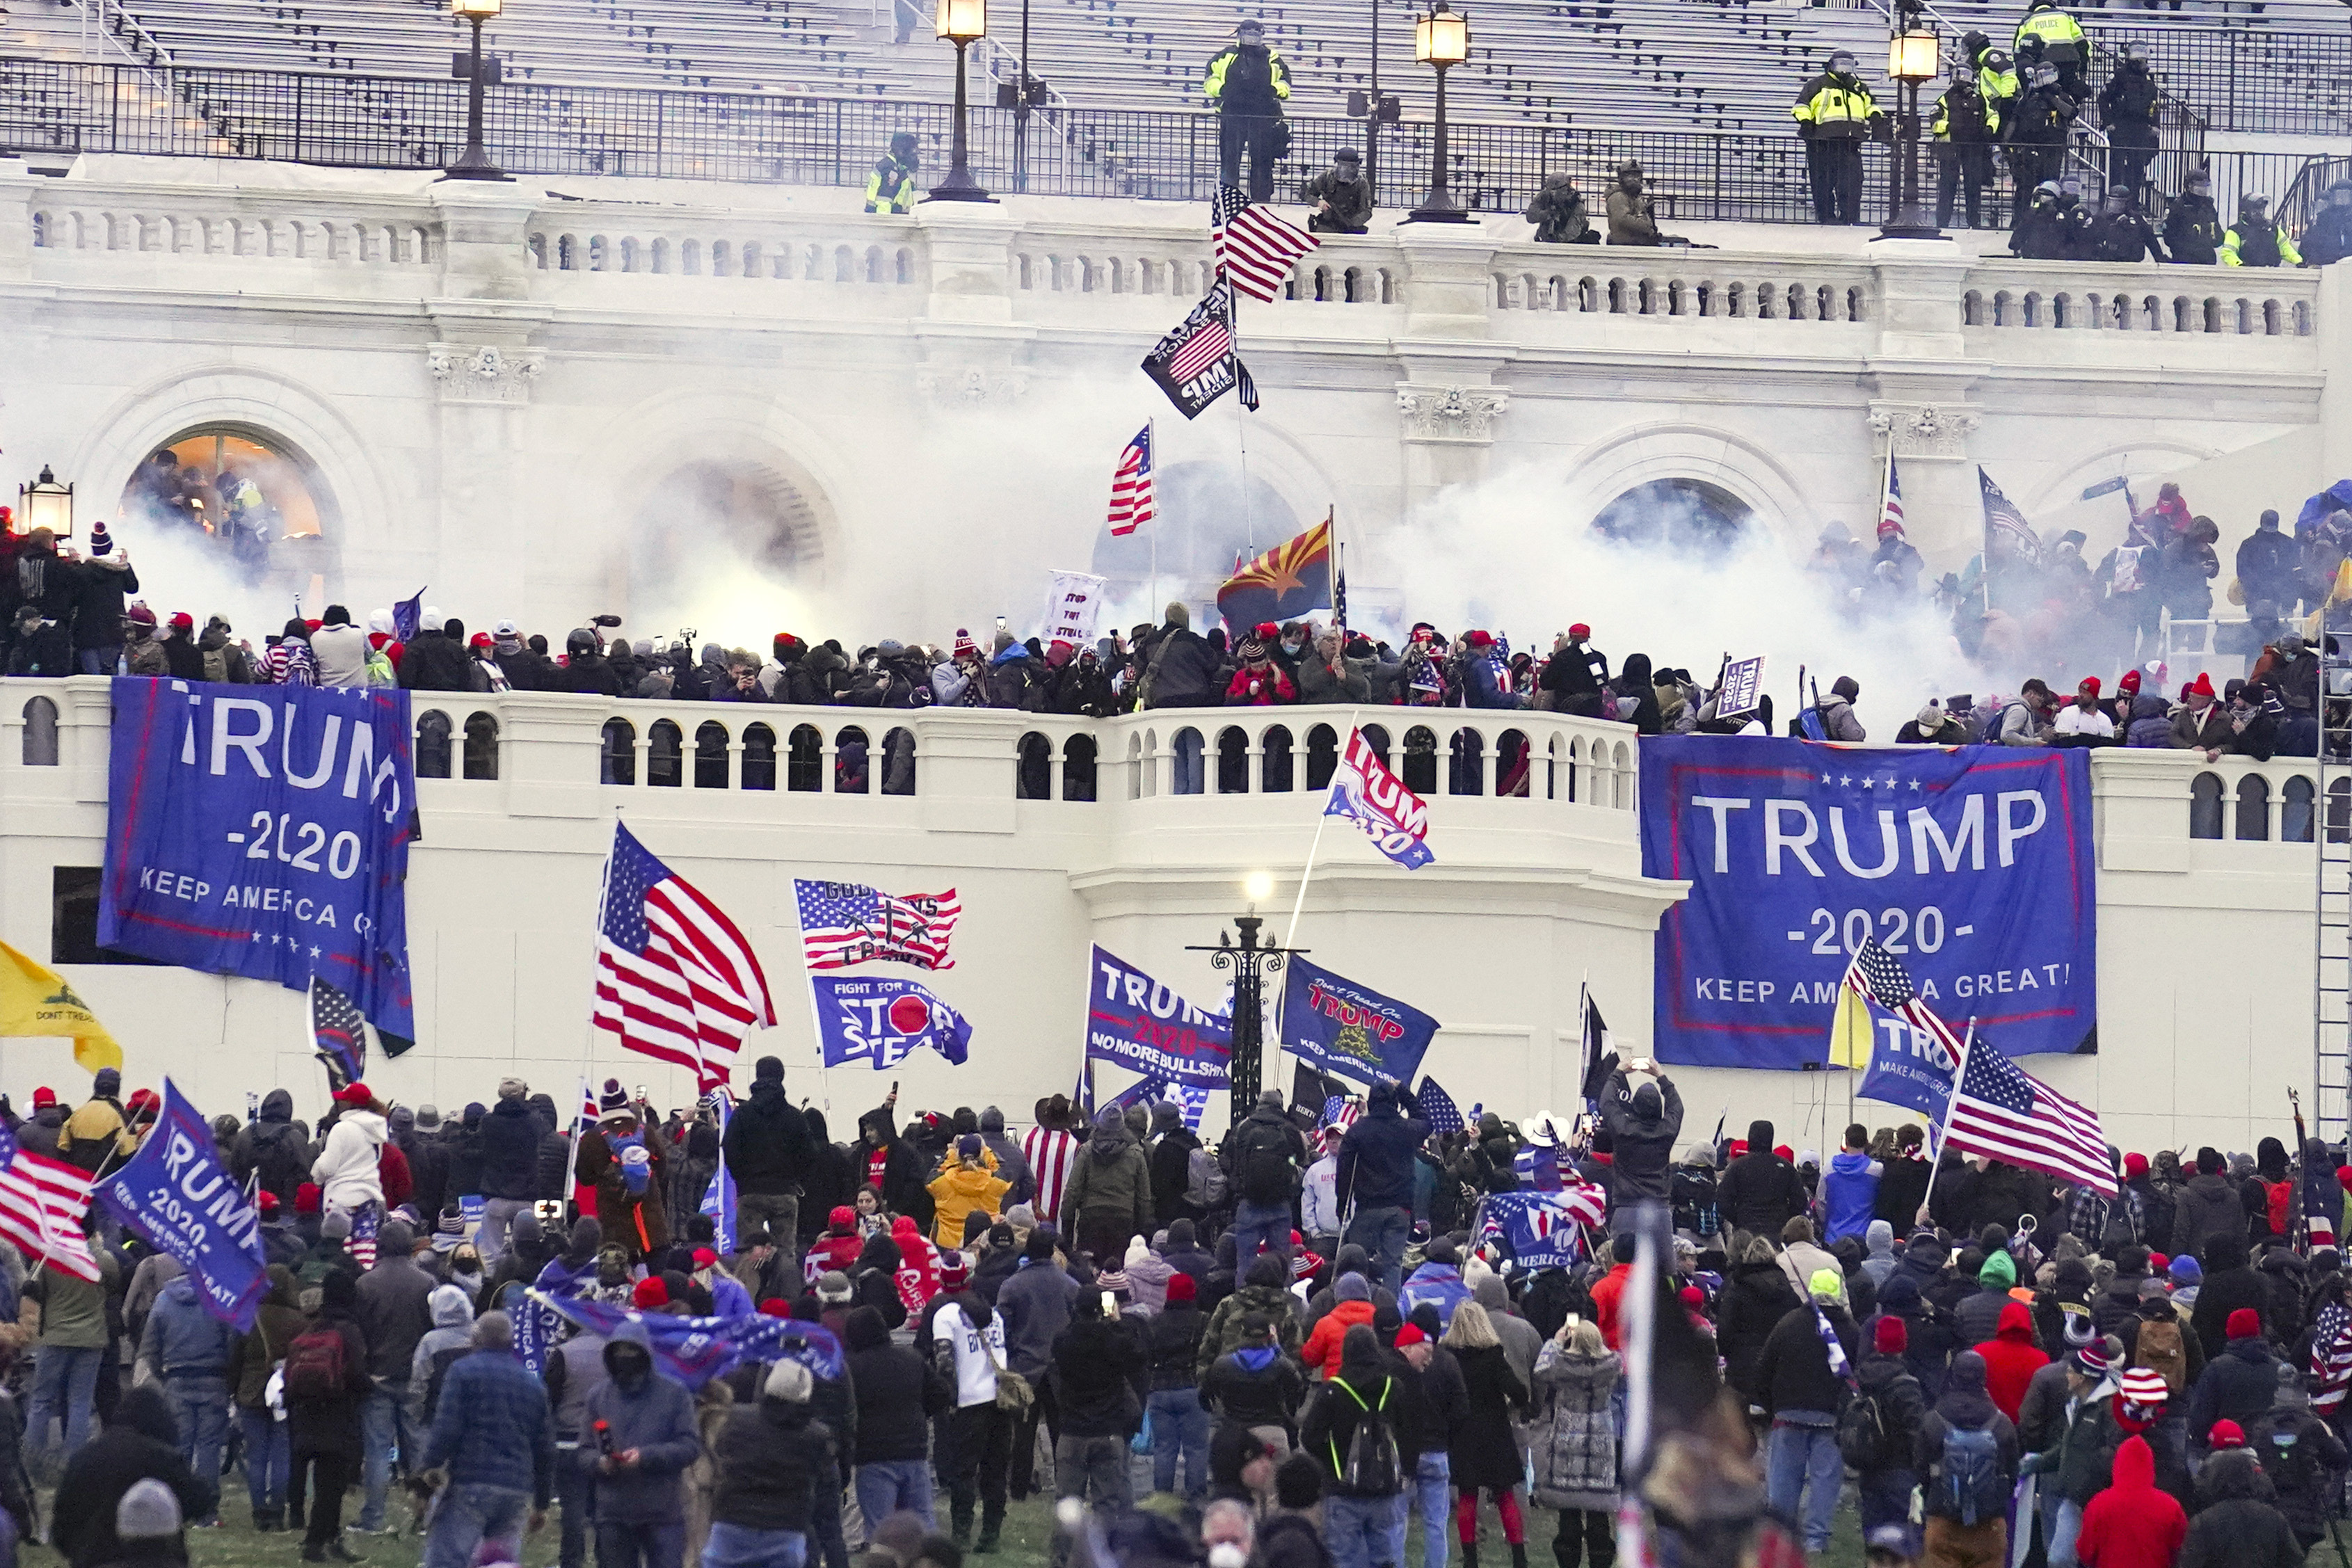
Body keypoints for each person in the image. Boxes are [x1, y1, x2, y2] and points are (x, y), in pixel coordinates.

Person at [414, 1311, 557, 1568]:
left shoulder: (462, 1372)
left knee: (447, 1560)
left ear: (475, 1339)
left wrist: (426, 1470)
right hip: (515, 1488)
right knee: (499, 1563)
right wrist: (542, 1503)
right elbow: (545, 1448)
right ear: (511, 1342)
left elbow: (447, 1429)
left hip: (471, 1480)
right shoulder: (533, 1385)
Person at [1754, 1268, 1858, 1557]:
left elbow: (1763, 1370)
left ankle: (1780, 1536)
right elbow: (1857, 1376)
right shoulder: (1850, 1329)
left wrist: (1774, 1407)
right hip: (1831, 1417)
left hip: (1788, 1414)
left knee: (1784, 1479)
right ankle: (1815, 1540)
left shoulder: (1788, 1324)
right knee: (1826, 1480)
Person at [49, 1389, 216, 1568]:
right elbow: (201, 1500)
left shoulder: (82, 1459)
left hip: (92, 1560)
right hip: (155, 1561)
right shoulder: (161, 1457)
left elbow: (61, 1525)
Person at [1299, 1326, 1414, 1568]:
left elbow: (1310, 1437)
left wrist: (1332, 1460)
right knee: (1385, 1558)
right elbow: (1407, 1433)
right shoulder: (1394, 1388)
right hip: (1385, 1487)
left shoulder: (1332, 1391)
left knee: (1344, 1558)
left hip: (1343, 1489)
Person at [1046, 1290, 1144, 1565]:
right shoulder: (1113, 1341)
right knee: (1106, 1503)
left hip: (1073, 1430)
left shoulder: (1064, 1341)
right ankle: (1103, 1556)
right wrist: (1116, 1321)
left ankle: (1063, 1557)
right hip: (1108, 1429)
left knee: (1068, 1501)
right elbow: (1139, 1355)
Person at [287, 1267, 374, 1563]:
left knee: (327, 1483)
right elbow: (357, 1375)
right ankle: (314, 1543)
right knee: (331, 1485)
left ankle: (332, 1538)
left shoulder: (314, 1327)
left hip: (307, 1412)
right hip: (338, 1413)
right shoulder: (350, 1330)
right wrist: (371, 1385)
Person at [355, 1217, 435, 1534]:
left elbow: (360, 1334)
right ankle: (424, 1519)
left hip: (378, 1378)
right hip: (415, 1378)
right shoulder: (427, 1283)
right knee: (418, 1452)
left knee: (376, 1451)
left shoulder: (365, 1284)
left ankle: (372, 1519)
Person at [135, 1270, 235, 1523]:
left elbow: (150, 1346)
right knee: (209, 1446)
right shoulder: (218, 1297)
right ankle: (207, 1510)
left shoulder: (163, 1300)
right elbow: (232, 1341)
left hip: (177, 1378)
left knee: (180, 1446)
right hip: (214, 1377)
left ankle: (177, 1506)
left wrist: (161, 1374)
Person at [1442, 1302, 1529, 1568]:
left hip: (1463, 1432)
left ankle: (1470, 1559)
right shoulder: (1493, 1356)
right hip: (1495, 1431)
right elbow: (1519, 1393)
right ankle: (1518, 1557)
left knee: (1467, 1496)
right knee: (1505, 1495)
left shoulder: (1447, 1356)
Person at [845, 1304, 946, 1531]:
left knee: (881, 1531)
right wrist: (919, 1412)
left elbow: (846, 1410)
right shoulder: (911, 1358)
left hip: (872, 1456)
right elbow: (941, 1392)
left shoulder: (852, 1367)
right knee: (924, 1525)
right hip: (914, 1451)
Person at [1915, 1350, 2017, 1568]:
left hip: (1943, 1521)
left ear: (1953, 1375)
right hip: (1989, 1526)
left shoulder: (1934, 1420)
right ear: (1984, 1378)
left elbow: (1920, 1469)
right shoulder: (2002, 1424)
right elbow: (2012, 1476)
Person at [931, 1288, 1012, 1551]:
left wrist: (949, 1400)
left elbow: (944, 1362)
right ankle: (991, 1536)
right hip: (1000, 1398)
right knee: (995, 1471)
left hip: (968, 1402)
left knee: (962, 1472)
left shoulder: (945, 1315)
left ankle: (961, 1535)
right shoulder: (995, 1315)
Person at [229, 1265, 305, 1530]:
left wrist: (233, 1389)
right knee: (282, 1454)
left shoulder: (248, 1317)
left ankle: (259, 1511)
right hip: (285, 1393)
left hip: (251, 1391)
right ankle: (277, 1509)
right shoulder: (299, 1321)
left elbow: (235, 1357)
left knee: (257, 1455)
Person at [1335, 1081, 1425, 1292]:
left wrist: (1342, 1206)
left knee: (1356, 1263)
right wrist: (1403, 1090)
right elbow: (1425, 1119)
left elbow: (1344, 1172)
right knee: (1393, 1264)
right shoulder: (1407, 1129)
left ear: (1371, 1101)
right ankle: (1390, 1313)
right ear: (1395, 1102)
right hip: (1399, 1209)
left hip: (1367, 1208)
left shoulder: (1357, 1132)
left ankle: (1354, 1304)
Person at [1203, 20, 1289, 203]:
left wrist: (1275, 90)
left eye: (1255, 36)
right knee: (1230, 161)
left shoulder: (1272, 57)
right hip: (1233, 115)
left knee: (1262, 162)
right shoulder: (1226, 55)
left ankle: (1261, 202)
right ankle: (1228, 201)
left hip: (1263, 117)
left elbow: (1285, 82)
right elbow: (1210, 79)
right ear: (1239, 35)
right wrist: (1222, 90)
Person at [1791, 50, 1880, 226]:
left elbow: (1871, 105)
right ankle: (1827, 217)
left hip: (1850, 142)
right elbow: (1802, 106)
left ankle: (1850, 218)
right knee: (1823, 183)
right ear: (1831, 65)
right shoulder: (1817, 84)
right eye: (1841, 64)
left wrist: (1876, 118)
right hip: (1822, 141)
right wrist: (1806, 122)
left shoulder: (1858, 87)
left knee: (1852, 182)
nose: (1845, 69)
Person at [2071, 1434, 2186, 1568]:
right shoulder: (2171, 1507)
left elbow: (2086, 1554)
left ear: (2117, 1465)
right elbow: (2181, 1551)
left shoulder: (2098, 1504)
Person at [1144, 1273, 1210, 1500]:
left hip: (1159, 1390)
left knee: (1164, 1448)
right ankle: (1196, 1499)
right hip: (1192, 1389)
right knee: (1196, 1449)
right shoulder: (1203, 1321)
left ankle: (1162, 1499)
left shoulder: (1154, 1323)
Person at [1597, 1060, 1681, 1232]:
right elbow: (1677, 1107)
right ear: (1659, 1108)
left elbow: (1607, 1102)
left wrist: (1618, 1072)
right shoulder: (1667, 1131)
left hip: (1626, 1209)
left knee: (1622, 1258)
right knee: (1662, 1260)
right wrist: (1661, 1076)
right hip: (1659, 1210)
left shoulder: (1622, 1129)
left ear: (1634, 1106)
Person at [1226, 1090, 1307, 1266]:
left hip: (1249, 1202)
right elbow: (1299, 1160)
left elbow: (1228, 1159)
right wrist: (1288, 1163)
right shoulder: (1290, 1129)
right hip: (1280, 1203)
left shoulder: (1243, 1127)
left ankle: (1245, 1293)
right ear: (1280, 1104)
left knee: (1246, 1261)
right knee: (1280, 1262)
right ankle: (1278, 1292)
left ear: (1259, 1103)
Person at [1930, 58, 1997, 230]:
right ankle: (1942, 224)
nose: (1962, 79)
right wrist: (1950, 127)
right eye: (1959, 75)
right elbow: (1934, 122)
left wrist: (1990, 128)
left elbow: (1993, 115)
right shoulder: (1945, 99)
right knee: (1947, 187)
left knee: (1973, 187)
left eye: (1966, 75)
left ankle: (1974, 223)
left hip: (1974, 148)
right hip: (1951, 147)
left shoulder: (1980, 98)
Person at [1821, 1123, 1882, 1245]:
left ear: (1845, 1141)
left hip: (1833, 1237)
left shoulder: (1829, 1168)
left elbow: (1821, 1202)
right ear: (1866, 1142)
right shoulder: (1877, 1170)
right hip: (1863, 1237)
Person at [2013, 0, 2086, 96]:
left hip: (2043, 66)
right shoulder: (2065, 17)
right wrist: (2083, 68)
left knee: (2045, 96)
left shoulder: (2028, 20)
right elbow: (2082, 44)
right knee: (2067, 96)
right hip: (2068, 63)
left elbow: (2018, 49)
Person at [1302, 149, 1371, 234]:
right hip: (1328, 224)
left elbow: (1367, 211)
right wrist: (1319, 202)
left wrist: (1352, 223)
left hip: (1351, 226)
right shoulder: (1327, 177)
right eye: (1344, 167)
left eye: (1351, 167)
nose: (1347, 171)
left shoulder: (1361, 183)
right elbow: (1308, 195)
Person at [2222, 194, 2303, 267]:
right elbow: (2228, 252)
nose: (2259, 213)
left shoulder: (2273, 228)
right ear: (2246, 211)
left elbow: (2286, 248)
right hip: (2247, 276)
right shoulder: (2236, 230)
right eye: (2254, 211)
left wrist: (2298, 261)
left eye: (2261, 210)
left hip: (2272, 274)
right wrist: (2239, 265)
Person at [2087, 190, 2166, 264]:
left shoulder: (2137, 220)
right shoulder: (2100, 219)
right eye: (2112, 202)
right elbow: (2091, 241)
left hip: (2133, 264)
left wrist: (2160, 259)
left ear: (2127, 204)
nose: (2114, 207)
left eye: (2119, 203)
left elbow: (2151, 240)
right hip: (2107, 264)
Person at [2163, 169, 2224, 265]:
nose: (2201, 193)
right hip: (2184, 261)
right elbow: (2169, 238)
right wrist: (2190, 247)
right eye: (2198, 189)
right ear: (2188, 187)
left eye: (2204, 189)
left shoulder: (2208, 206)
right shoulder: (2177, 207)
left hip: (2208, 260)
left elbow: (2218, 235)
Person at [1603, 161, 1667, 246]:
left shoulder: (1635, 197)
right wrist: (1646, 226)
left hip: (1637, 243)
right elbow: (1623, 219)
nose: (1635, 179)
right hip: (1625, 245)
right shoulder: (1618, 196)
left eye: (1637, 176)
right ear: (1622, 178)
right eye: (1630, 176)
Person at [1523, 175, 1595, 244]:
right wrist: (1547, 214)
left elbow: (1572, 231)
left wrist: (1557, 239)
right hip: (1544, 240)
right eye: (1550, 190)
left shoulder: (1576, 204)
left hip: (1570, 244)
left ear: (1565, 189)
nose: (1552, 193)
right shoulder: (1544, 196)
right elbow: (1530, 216)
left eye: (1555, 190)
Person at [2302, 179, 2352, 267]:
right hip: (2328, 262)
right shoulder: (2325, 217)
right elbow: (2316, 240)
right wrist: (2314, 261)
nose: (2342, 198)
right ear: (2333, 196)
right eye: (2339, 194)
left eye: (2346, 194)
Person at [866, 133, 918, 209]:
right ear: (899, 150)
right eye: (909, 151)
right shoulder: (889, 169)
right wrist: (886, 219)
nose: (912, 155)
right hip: (887, 216)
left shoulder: (897, 167)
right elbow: (884, 201)